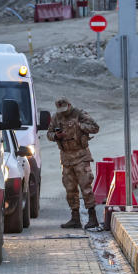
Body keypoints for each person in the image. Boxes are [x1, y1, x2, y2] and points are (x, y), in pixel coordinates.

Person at [46, 96, 100, 230]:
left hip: (81, 156)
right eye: (61, 110)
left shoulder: (80, 114)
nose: (63, 113)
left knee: (85, 187)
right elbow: (49, 134)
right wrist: (56, 136)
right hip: (66, 158)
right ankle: (75, 217)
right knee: (70, 189)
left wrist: (80, 127)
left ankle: (92, 218)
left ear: (69, 105)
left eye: (65, 109)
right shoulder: (56, 117)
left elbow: (95, 127)